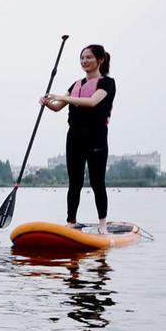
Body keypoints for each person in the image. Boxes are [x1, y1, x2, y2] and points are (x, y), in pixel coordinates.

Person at [42, 44, 115, 228]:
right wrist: (46, 103)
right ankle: (71, 222)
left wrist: (63, 98)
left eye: (89, 57)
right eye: (82, 58)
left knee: (97, 181)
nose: (84, 61)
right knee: (75, 181)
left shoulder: (107, 83)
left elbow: (91, 102)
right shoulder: (75, 84)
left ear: (100, 60)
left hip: (96, 136)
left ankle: (103, 225)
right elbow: (58, 107)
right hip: (74, 136)